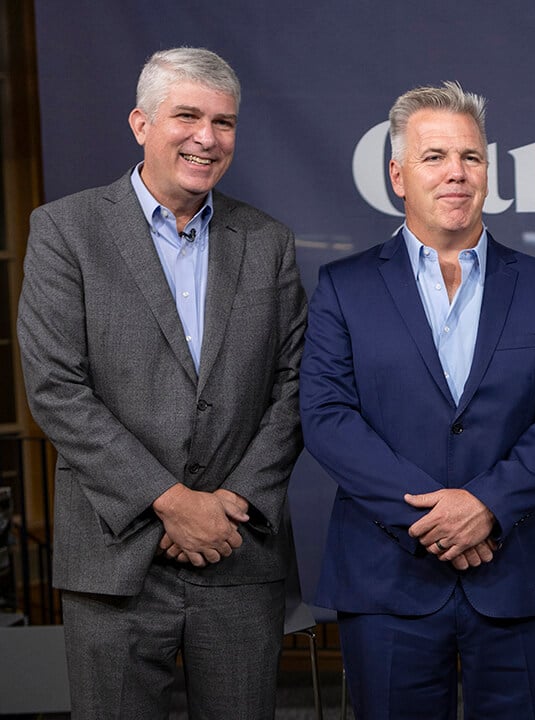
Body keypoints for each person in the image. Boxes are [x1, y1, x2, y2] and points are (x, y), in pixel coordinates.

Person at [17, 47, 306, 718]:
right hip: (114, 559)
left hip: (238, 553)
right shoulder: (65, 230)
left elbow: (294, 387)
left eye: (224, 122)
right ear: (140, 123)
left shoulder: (269, 243)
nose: (207, 138)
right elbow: (57, 388)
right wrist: (170, 502)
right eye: (187, 116)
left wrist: (227, 505)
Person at [299, 82, 535, 719]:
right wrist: (434, 518)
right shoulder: (343, 288)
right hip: (387, 579)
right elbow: (326, 418)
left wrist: (486, 504)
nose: (456, 173)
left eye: (471, 157)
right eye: (435, 157)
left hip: (516, 576)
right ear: (398, 174)